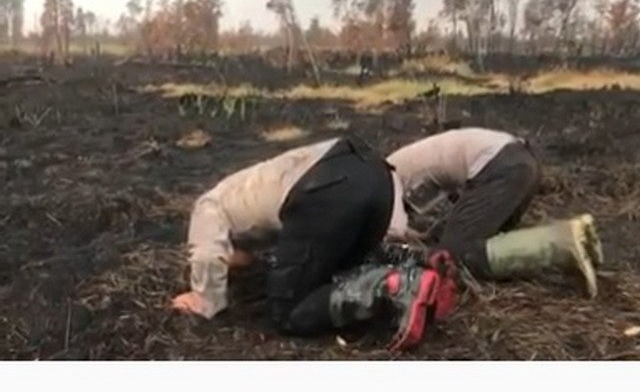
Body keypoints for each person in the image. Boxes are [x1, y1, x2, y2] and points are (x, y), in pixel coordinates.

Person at [171, 135, 458, 351]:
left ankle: (392, 287)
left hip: (324, 186)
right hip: (372, 172)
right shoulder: (249, 192)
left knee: (288, 314)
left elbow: (208, 254)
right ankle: (419, 264)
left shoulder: (209, 204)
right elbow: (247, 254)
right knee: (342, 263)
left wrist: (204, 298)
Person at [386, 127, 602, 298]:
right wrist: (426, 236)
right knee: (485, 239)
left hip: (500, 167)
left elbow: (394, 232)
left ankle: (561, 243)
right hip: (520, 160)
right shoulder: (402, 164)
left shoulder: (385, 175)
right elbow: (453, 206)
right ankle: (583, 234)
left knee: (454, 254)